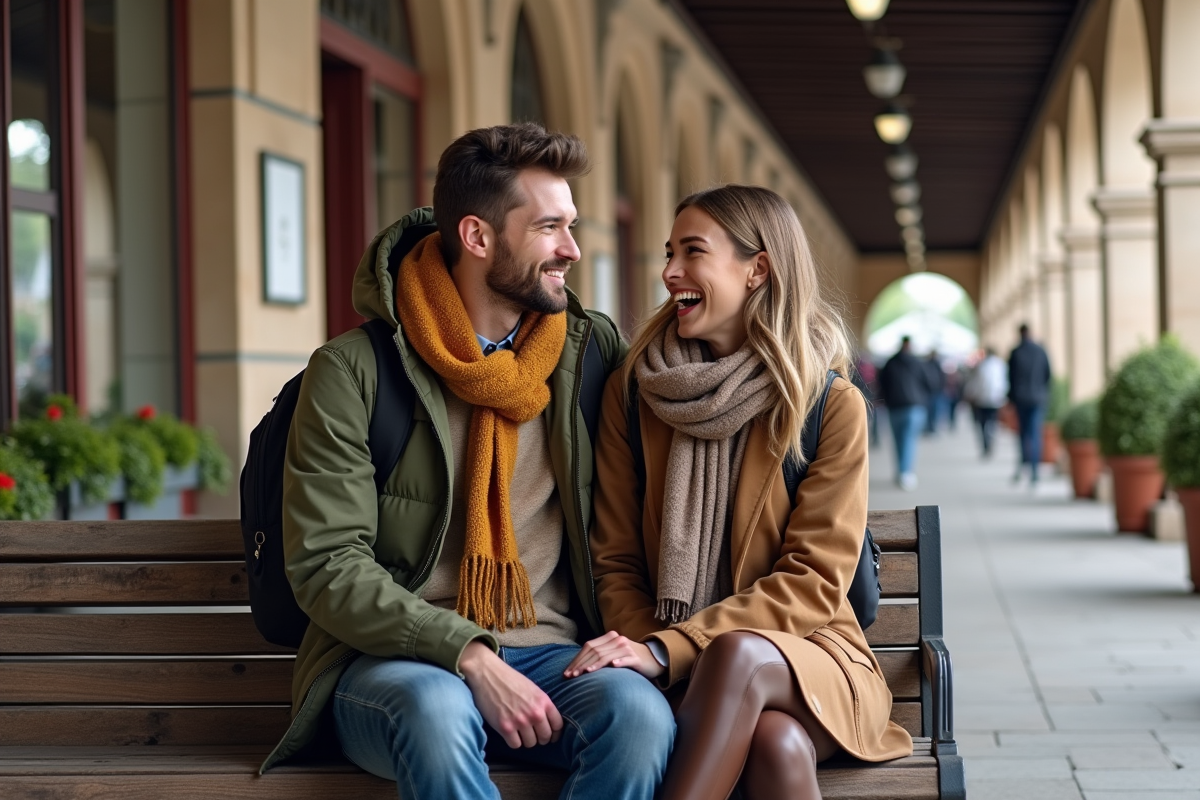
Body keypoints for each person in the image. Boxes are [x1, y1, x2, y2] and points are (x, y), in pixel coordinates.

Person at [260, 123, 676, 799]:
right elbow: (326, 563)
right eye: (548, 228)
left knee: (637, 717)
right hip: (393, 663)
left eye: (571, 226)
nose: (571, 250)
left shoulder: (589, 352)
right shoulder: (352, 370)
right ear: (479, 237)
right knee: (437, 710)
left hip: (555, 656)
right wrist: (469, 654)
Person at [576, 186, 913, 800]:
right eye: (668, 252)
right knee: (775, 747)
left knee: (737, 657)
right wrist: (661, 650)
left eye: (692, 251)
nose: (669, 271)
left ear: (758, 267)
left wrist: (669, 648)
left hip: (812, 656)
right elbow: (616, 561)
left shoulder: (827, 406)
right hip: (670, 653)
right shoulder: (635, 392)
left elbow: (811, 582)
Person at [879, 336, 934, 490]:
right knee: (909, 439)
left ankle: (901, 471)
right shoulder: (918, 363)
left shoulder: (890, 362)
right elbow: (931, 383)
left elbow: (881, 383)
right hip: (914, 406)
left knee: (898, 440)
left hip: (894, 406)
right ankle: (906, 472)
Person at [1008, 323, 1052, 484]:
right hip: (1038, 398)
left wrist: (1011, 399)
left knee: (1023, 434)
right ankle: (1034, 470)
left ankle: (1022, 467)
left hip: (1021, 398)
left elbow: (1010, 378)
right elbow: (1048, 374)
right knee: (1035, 434)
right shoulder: (1040, 351)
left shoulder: (1016, 352)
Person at [964, 347, 1008, 457]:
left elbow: (975, 383)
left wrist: (971, 394)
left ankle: (986, 444)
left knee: (983, 424)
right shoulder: (1000, 365)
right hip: (995, 399)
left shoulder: (982, 365)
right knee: (992, 422)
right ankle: (990, 441)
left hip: (982, 399)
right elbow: (1004, 383)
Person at [923, 350, 946, 435]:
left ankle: (930, 427)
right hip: (934, 391)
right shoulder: (936, 365)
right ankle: (931, 427)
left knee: (932, 411)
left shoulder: (929, 364)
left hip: (933, 391)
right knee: (934, 411)